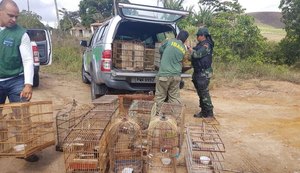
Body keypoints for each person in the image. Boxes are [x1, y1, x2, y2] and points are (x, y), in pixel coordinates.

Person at [0, 0, 37, 161]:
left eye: (16, 16)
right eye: (10, 16)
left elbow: (28, 60)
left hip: (16, 80)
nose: (14, 19)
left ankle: (25, 150)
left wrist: (28, 84)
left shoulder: (21, 34)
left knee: (22, 116)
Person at [154, 30, 189, 115]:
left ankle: (157, 118)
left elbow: (161, 50)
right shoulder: (184, 48)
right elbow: (184, 60)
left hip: (164, 75)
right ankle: (174, 117)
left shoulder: (170, 41)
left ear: (177, 36)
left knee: (160, 97)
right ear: (185, 40)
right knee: (174, 98)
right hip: (176, 76)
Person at [188, 27, 214, 118]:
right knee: (200, 93)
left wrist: (190, 49)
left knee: (204, 93)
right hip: (198, 72)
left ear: (203, 36)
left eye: (198, 35)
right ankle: (204, 111)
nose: (197, 37)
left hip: (204, 73)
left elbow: (196, 54)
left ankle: (209, 113)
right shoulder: (200, 45)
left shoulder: (206, 45)